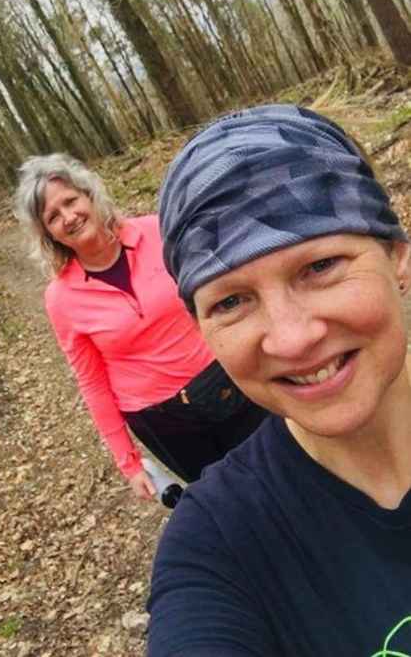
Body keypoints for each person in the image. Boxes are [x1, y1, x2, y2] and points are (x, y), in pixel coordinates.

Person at [147, 104, 411, 656]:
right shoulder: (218, 545)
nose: (290, 339)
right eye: (232, 301)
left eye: (320, 267)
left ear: (398, 256)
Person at [14, 153, 266, 500]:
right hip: (162, 420)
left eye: (71, 201)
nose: (69, 217)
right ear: (48, 234)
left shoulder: (157, 231)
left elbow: (221, 290)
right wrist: (128, 463)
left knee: (287, 463)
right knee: (233, 499)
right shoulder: (61, 298)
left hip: (226, 380)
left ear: (89, 194)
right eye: (53, 217)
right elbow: (92, 381)